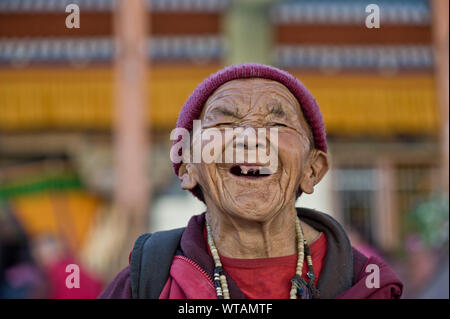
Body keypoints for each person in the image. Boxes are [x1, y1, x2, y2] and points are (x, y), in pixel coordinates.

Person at [99, 63, 403, 299]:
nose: (250, 138)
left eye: (278, 123)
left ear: (312, 169)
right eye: (225, 122)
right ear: (187, 168)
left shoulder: (365, 282)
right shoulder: (146, 282)